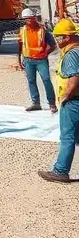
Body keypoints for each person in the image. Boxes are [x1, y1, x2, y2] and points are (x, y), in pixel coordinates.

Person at [38, 18, 79, 183]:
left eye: (59, 37)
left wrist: (65, 97)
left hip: (73, 102)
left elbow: (75, 78)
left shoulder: (71, 55)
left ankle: (60, 171)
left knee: (67, 137)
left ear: (67, 37)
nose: (57, 40)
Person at [16, 8, 57, 112]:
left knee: (46, 80)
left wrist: (45, 53)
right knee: (31, 81)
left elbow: (53, 45)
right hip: (28, 60)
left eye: (30, 19)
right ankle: (36, 103)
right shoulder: (23, 30)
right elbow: (20, 46)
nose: (28, 21)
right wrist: (19, 61)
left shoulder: (43, 30)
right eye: (26, 19)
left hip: (41, 60)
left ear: (34, 18)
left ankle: (52, 103)